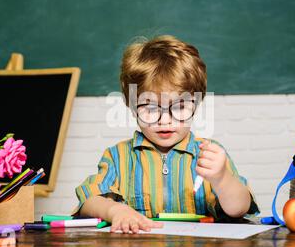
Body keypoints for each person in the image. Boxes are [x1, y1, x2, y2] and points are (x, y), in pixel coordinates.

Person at [73, 35, 259, 233]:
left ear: (196, 104)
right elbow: (89, 200)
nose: (164, 120)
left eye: (179, 107)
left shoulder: (210, 155)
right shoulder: (118, 156)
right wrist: (115, 210)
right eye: (150, 108)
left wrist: (222, 179)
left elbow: (239, 209)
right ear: (132, 106)